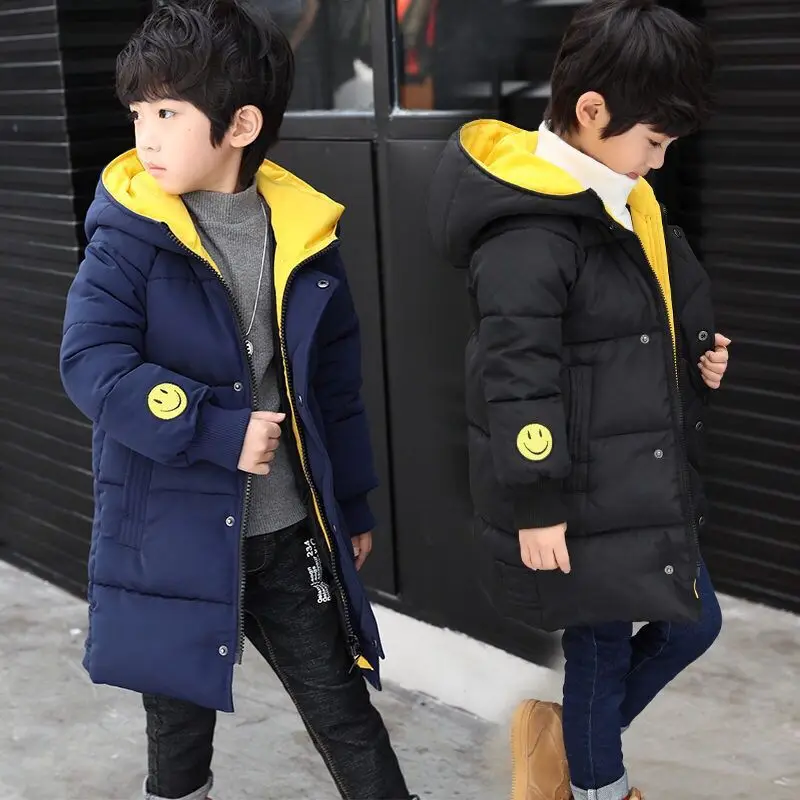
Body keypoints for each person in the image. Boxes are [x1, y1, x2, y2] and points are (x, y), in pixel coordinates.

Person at [59, 2, 416, 798]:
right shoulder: (128, 237)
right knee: (179, 742)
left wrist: (351, 503)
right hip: (172, 535)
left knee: (344, 713)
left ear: (241, 124)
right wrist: (212, 429)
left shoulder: (304, 233)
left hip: (285, 532)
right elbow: (90, 364)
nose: (145, 136)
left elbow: (334, 389)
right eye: (138, 113)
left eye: (168, 113)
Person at [428, 1, 729, 798]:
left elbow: (652, 313)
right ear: (592, 112)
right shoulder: (529, 230)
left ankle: (559, 744)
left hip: (633, 476)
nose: (658, 161)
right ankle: (597, 785)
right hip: (574, 491)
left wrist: (698, 352)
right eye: (654, 142)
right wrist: (536, 503)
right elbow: (515, 377)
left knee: (693, 624)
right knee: (602, 648)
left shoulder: (622, 195)